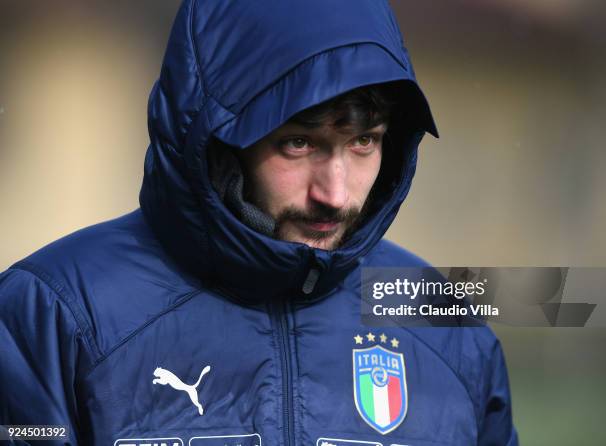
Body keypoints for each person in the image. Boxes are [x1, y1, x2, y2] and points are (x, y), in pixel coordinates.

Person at [0, 0, 518, 445]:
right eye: (298, 143)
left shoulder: (446, 321)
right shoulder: (54, 312)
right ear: (218, 141)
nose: (334, 194)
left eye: (364, 142)